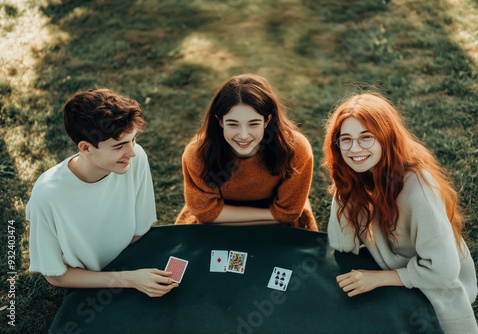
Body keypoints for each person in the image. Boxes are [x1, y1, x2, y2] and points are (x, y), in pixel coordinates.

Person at [323, 93, 478, 333]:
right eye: (346, 140)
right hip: (391, 263)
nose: (355, 149)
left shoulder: (418, 189)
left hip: (433, 278)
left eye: (366, 137)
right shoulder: (357, 175)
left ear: (386, 139)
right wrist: (345, 188)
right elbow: (341, 242)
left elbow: (444, 270)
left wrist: (378, 279)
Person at [27, 88, 178, 297]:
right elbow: (56, 275)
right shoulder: (47, 194)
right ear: (86, 148)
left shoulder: (136, 159)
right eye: (119, 146)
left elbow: (140, 232)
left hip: (132, 264)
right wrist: (128, 279)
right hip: (89, 286)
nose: (132, 152)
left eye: (134, 139)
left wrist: (133, 274)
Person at [174, 74, 318, 230]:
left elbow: (289, 213)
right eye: (233, 124)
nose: (243, 135)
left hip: (278, 227)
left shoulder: (296, 150)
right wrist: (274, 215)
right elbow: (205, 213)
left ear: (267, 120)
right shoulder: (197, 153)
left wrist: (221, 214)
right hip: (217, 226)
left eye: (253, 124)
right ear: (220, 121)